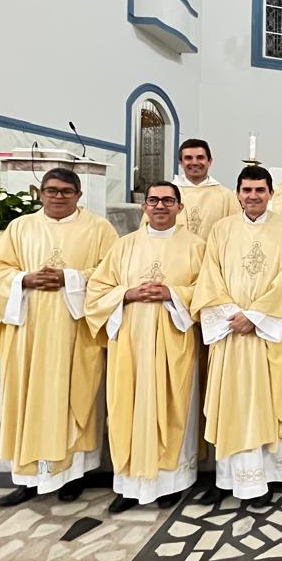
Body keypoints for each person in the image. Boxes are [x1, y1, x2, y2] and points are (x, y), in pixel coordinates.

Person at [0, 167, 118, 506]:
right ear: (40, 193)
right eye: (52, 190)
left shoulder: (99, 229)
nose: (58, 196)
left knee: (75, 397)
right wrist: (24, 280)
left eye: (66, 191)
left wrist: (69, 278)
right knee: (28, 398)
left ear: (79, 196)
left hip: (75, 331)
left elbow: (111, 273)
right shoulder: (20, 227)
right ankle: (28, 478)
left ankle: (74, 475)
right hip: (29, 331)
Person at [85, 181, 205, 512]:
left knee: (172, 407)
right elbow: (97, 290)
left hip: (174, 342)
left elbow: (208, 290)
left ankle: (171, 483)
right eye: (154, 200)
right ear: (144, 207)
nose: (160, 206)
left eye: (168, 200)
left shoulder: (197, 246)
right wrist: (126, 294)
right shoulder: (124, 246)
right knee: (128, 408)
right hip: (130, 345)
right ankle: (129, 485)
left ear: (180, 208)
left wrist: (173, 294)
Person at [191, 166, 282, 505]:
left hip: (267, 335)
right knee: (232, 403)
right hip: (230, 334)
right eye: (246, 190)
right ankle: (229, 477)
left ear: (271, 193)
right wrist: (232, 315)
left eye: (259, 190)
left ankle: (268, 476)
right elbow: (210, 276)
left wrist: (255, 317)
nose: (252, 196)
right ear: (238, 193)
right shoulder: (221, 230)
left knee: (267, 401)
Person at [167, 139, 240, 238]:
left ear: (210, 161)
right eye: (188, 158)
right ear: (181, 162)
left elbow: (237, 231)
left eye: (200, 157)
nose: (195, 162)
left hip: (213, 253)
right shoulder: (167, 194)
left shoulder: (226, 196)